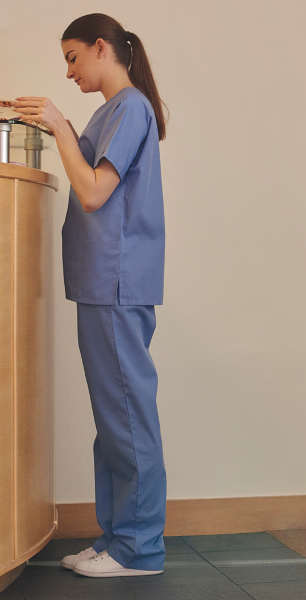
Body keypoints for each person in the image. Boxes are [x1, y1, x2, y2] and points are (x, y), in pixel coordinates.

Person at [6, 13, 168, 578]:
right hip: (104, 285)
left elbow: (95, 191)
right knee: (114, 417)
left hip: (117, 284)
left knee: (128, 417)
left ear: (102, 48)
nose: (69, 70)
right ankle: (118, 538)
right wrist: (59, 126)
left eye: (74, 57)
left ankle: (139, 549)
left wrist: (57, 124)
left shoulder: (131, 108)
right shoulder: (112, 111)